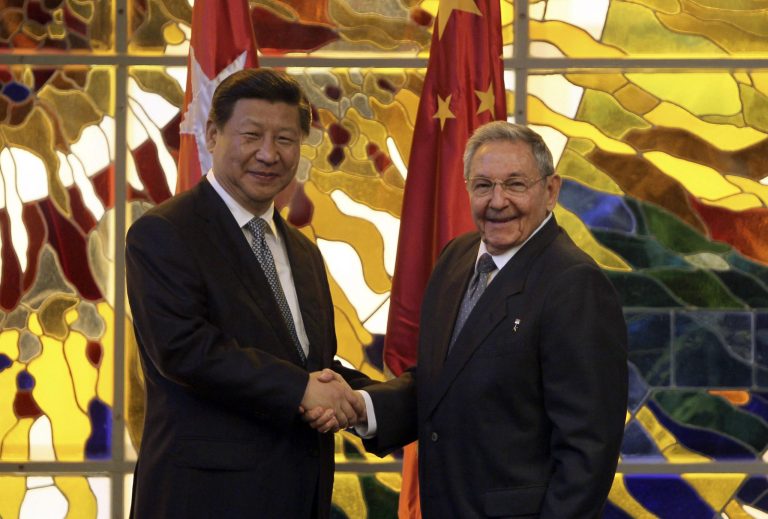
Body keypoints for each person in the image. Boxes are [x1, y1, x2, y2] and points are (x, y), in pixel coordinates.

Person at [125, 68, 370, 519]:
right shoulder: (163, 233)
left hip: (299, 496)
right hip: (205, 500)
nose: (268, 154)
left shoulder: (302, 250)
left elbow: (312, 368)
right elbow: (185, 350)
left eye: (285, 140)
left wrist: (375, 404)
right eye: (252, 135)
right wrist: (301, 389)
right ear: (213, 135)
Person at [352, 121, 628, 517]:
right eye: (483, 185)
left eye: (515, 184)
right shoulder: (456, 258)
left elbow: (589, 449)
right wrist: (364, 406)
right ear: (467, 189)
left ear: (551, 191)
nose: (497, 201)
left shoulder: (574, 284)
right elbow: (442, 385)